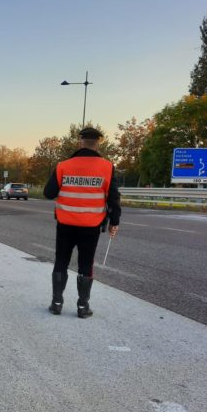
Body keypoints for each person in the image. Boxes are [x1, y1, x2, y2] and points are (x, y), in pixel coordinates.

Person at [43, 127, 121, 318]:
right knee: (86, 264)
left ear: (80, 142)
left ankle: (57, 303)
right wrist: (114, 222)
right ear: (98, 143)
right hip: (91, 226)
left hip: (65, 225)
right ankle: (82, 307)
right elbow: (114, 198)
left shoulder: (63, 166)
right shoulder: (107, 167)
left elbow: (48, 193)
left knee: (61, 261)